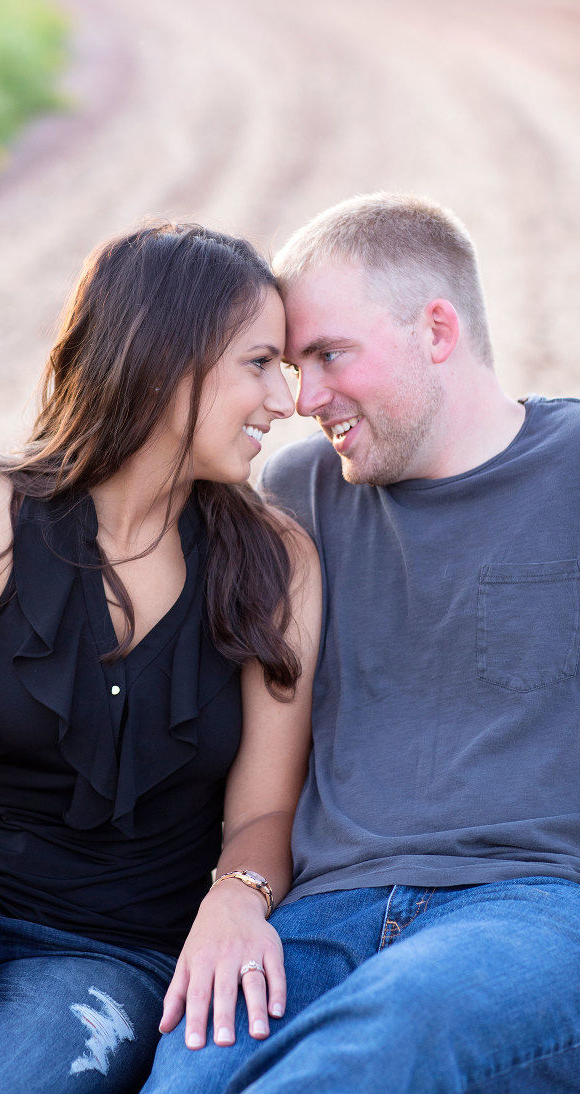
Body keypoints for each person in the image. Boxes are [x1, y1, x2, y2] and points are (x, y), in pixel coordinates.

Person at [0, 222, 321, 1094]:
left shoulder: (279, 566)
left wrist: (236, 895)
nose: (288, 398)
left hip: (107, 950)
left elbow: (262, 816)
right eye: (261, 363)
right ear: (166, 359)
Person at [141, 193, 580, 1094]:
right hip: (320, 915)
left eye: (328, 355)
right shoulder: (297, 496)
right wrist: (234, 891)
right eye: (292, 364)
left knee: (384, 1048)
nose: (304, 399)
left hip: (531, 907)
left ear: (438, 329)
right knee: (191, 1076)